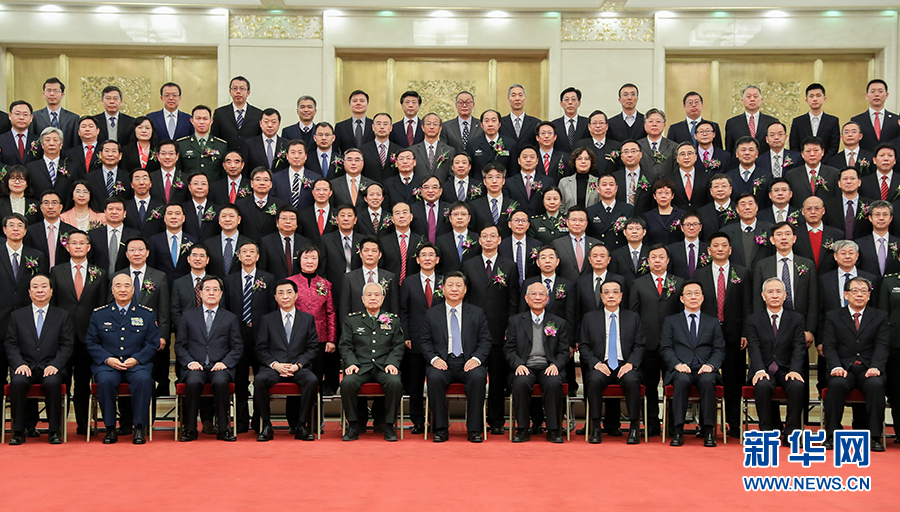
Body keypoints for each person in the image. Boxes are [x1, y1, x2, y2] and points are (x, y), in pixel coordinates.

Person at [86, 273, 159, 444]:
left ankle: (139, 428)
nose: (123, 289)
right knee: (105, 382)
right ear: (112, 290)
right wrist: (107, 359)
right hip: (108, 364)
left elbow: (152, 342)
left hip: (136, 364)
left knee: (144, 380)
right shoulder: (99, 314)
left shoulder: (146, 314)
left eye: (127, 286)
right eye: (118, 286)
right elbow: (91, 342)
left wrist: (136, 359)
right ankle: (110, 428)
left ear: (133, 289)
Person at [461, 226, 519, 435]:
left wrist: (510, 327)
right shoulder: (469, 264)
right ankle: (474, 420)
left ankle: (496, 420)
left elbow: (513, 299)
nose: (488, 240)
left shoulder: (509, 266)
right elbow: (464, 297)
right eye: (484, 236)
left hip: (499, 329)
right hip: (472, 330)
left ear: (499, 240)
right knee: (475, 376)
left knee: (497, 378)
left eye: (492, 236)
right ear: (479, 240)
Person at [420, 272, 491, 442]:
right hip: (442, 362)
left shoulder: (476, 313)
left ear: (465, 290)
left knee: (478, 377)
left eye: (458, 285)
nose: (454, 289)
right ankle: (440, 429)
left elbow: (486, 340)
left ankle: (474, 429)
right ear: (443, 289)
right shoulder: (432, 313)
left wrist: (476, 359)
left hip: (468, 361)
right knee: (434, 378)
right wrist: (434, 359)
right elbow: (425, 341)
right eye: (450, 285)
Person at [49, 230, 108, 436]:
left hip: (88, 337)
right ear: (67, 247)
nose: (78, 246)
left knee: (83, 383)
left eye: (82, 243)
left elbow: (102, 307)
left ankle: (84, 425)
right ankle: (58, 427)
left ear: (88, 247)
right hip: (61, 337)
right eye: (74, 243)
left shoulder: (99, 273)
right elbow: (53, 305)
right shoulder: (57, 271)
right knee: (60, 382)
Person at [694, 231, 752, 437]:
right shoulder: (699, 274)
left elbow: (747, 305)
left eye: (724, 245)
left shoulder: (742, 273)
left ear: (730, 249)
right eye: (716, 246)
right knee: (706, 380)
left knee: (734, 380)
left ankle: (734, 425)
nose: (720, 249)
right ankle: (705, 425)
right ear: (709, 251)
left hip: (735, 335)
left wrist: (745, 332)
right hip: (706, 336)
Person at [5, 274, 74, 445]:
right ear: (29, 292)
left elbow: (67, 345)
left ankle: (54, 431)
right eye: (35, 287)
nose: (40, 290)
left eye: (44, 286)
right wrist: (19, 363)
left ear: (51, 291)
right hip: (25, 366)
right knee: (18, 382)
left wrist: (55, 365)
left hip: (51, 367)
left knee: (52, 383)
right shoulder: (17, 316)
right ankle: (18, 431)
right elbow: (11, 344)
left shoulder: (62, 315)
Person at [822, 276, 889, 452]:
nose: (859, 295)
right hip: (844, 368)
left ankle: (874, 437)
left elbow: (882, 345)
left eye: (864, 291)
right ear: (846, 294)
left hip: (869, 368)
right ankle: (832, 435)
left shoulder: (880, 316)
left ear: (869, 295)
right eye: (855, 291)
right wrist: (836, 366)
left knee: (876, 385)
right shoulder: (833, 316)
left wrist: (876, 367)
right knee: (836, 384)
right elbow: (829, 346)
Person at [174, 276, 242, 442]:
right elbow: (180, 345)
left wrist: (224, 363)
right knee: (193, 382)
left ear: (221, 294)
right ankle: (190, 429)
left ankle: (224, 429)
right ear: (200, 293)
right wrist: (190, 362)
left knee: (221, 382)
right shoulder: (188, 316)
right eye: (207, 289)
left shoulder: (230, 318)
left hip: (220, 366)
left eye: (215, 290)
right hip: (195, 366)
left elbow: (237, 347)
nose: (211, 293)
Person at [659, 281, 725, 447]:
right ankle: (678, 430)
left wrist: (711, 365)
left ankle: (708, 431)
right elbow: (666, 348)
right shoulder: (671, 321)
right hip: (681, 368)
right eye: (689, 294)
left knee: (708, 381)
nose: (693, 297)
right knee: (681, 380)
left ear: (702, 298)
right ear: (682, 299)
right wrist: (677, 364)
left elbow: (719, 349)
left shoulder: (713, 322)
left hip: (705, 368)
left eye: (697, 293)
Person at [579, 279, 644, 444]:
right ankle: (595, 427)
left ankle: (634, 428)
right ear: (601, 297)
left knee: (632, 380)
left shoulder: (633, 317)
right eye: (606, 292)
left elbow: (640, 345)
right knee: (594, 380)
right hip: (601, 364)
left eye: (615, 292)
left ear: (621, 296)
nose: (611, 296)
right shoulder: (590, 318)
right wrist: (596, 364)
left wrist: (630, 364)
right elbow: (584, 346)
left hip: (625, 364)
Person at [629, 244, 684, 437]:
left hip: (674, 344)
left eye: (661, 257)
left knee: (674, 385)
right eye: (654, 257)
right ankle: (651, 424)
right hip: (648, 343)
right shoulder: (638, 284)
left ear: (667, 260)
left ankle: (672, 424)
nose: (657, 261)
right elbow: (633, 316)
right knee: (649, 386)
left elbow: (682, 315)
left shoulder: (678, 283)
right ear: (648, 261)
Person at [254, 279, 319, 441]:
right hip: (274, 368)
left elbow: (312, 348)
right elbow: (261, 349)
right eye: (281, 293)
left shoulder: (307, 319)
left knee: (312, 380)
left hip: (298, 367)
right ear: (275, 297)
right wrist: (275, 365)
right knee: (259, 380)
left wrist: (298, 365)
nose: (285, 296)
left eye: (289, 292)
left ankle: (301, 425)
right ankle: (266, 425)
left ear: (296, 295)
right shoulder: (267, 320)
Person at [339, 282, 405, 441]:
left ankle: (389, 426)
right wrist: (351, 363)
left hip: (384, 367)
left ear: (383, 299)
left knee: (395, 383)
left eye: (377, 295)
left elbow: (398, 345)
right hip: (360, 367)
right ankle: (353, 425)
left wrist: (392, 363)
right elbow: (345, 345)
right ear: (362, 299)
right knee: (347, 383)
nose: (373, 298)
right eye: (369, 295)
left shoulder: (393, 320)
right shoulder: (352, 320)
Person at [505, 282, 570, 443]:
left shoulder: (558, 322)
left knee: (553, 383)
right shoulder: (515, 321)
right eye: (533, 294)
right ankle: (522, 429)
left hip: (548, 366)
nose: (537, 297)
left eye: (542, 294)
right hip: (525, 366)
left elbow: (564, 351)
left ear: (547, 299)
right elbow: (509, 350)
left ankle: (553, 430)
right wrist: (518, 364)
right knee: (520, 382)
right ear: (526, 298)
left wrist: (555, 365)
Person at [222, 241, 276, 433]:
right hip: (237, 334)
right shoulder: (229, 280)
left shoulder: (268, 279)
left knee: (261, 378)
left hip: (261, 335)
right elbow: (226, 310)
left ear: (257, 256)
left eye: (252, 251)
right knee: (240, 379)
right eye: (244, 251)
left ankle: (260, 421)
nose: (248, 254)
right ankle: (241, 421)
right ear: (238, 256)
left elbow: (272, 310)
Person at [747, 278, 808, 437]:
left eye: (778, 291)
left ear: (785, 295)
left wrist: (795, 370)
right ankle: (767, 432)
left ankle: (791, 433)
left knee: (797, 386)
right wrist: (759, 370)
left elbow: (799, 347)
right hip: (764, 368)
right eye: (770, 292)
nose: (774, 295)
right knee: (762, 385)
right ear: (763, 296)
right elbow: (753, 347)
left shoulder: (796, 319)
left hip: (786, 369)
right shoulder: (754, 320)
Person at [113, 237, 170, 401]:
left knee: (147, 378)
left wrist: (162, 335)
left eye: (140, 249)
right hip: (123, 338)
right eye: (132, 250)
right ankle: (125, 416)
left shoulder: (159, 277)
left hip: (149, 337)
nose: (136, 253)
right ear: (126, 254)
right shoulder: (117, 276)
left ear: (147, 253)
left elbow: (164, 308)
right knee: (124, 376)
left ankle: (147, 416)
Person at [752, 222, 819, 355]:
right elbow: (757, 299)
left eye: (788, 234)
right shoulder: (762, 265)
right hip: (771, 324)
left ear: (794, 239)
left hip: (798, 324)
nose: (783, 238)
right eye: (779, 234)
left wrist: (809, 329)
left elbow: (813, 299)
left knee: (798, 361)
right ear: (772, 240)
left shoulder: (807, 264)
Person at [0, 214, 49, 396]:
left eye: (19, 225)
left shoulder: (36, 256)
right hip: (1, 320)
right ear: (4, 230)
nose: (15, 229)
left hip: (26, 324)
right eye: (11, 225)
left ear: (25, 231)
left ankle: (27, 414)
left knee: (25, 375)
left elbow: (42, 288)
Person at [399, 242, 442, 434]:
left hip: (440, 340)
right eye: (423, 255)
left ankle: (436, 419)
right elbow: (404, 311)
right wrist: (406, 335)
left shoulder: (445, 281)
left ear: (437, 260)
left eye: (431, 255)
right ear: (417, 260)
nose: (427, 258)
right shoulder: (408, 282)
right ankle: (417, 420)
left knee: (436, 381)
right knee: (415, 383)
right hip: (415, 339)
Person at [287, 244, 337, 402]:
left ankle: (316, 415)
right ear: (299, 260)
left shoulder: (325, 284)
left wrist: (331, 339)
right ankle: (295, 416)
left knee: (316, 378)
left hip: (319, 339)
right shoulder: (289, 283)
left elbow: (330, 312)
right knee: (295, 379)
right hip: (295, 339)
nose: (310, 261)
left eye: (314, 258)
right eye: (306, 257)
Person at [24, 190, 75, 269]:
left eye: (54, 203)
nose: (50, 207)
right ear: (41, 207)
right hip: (39, 274)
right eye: (46, 203)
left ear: (61, 207)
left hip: (64, 274)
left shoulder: (71, 232)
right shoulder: (31, 231)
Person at [259, 206, 311, 282]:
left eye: (292, 219)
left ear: (297, 223)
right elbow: (262, 269)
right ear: (277, 222)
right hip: (275, 285)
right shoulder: (266, 242)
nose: (288, 222)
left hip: (300, 285)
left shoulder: (306, 243)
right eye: (284, 218)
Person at [210, 76, 263, 150]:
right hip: (227, 155)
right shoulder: (220, 113)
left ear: (248, 93)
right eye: (235, 88)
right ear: (230, 92)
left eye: (242, 88)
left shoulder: (258, 114)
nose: (238, 92)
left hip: (250, 156)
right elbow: (214, 138)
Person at [784, 136, 840, 207]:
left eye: (816, 150)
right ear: (802, 154)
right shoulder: (791, 175)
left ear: (822, 152)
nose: (812, 154)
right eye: (808, 151)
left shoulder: (834, 173)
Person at [177, 105, 227, 182]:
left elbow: (223, 173)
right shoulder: (182, 144)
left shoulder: (221, 145)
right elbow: (179, 172)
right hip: (189, 187)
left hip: (213, 187)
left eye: (205, 119)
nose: (201, 122)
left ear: (211, 121)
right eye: (198, 118)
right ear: (192, 121)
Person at [25, 126, 78, 199]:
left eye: (55, 140)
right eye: (47, 140)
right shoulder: (30, 168)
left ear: (61, 145)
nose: (51, 143)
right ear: (42, 145)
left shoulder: (72, 168)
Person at [499, 84, 542, 174]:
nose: (517, 98)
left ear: (525, 99)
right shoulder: (500, 123)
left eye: (520, 95)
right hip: (506, 169)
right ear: (508, 99)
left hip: (530, 169)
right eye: (513, 95)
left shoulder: (536, 123)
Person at [789, 83, 840, 157]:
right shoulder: (797, 122)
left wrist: (823, 161)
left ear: (824, 99)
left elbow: (834, 146)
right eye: (811, 96)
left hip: (826, 162)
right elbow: (794, 145)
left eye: (818, 96)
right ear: (806, 100)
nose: (815, 99)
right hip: (802, 162)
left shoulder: (833, 121)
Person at [724, 85, 778, 154]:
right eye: (748, 96)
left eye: (755, 96)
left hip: (765, 159)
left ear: (761, 100)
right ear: (742, 101)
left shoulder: (772, 122)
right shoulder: (732, 123)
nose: (752, 99)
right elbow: (729, 149)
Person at [235, 167, 287, 238]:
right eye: (258, 179)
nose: (262, 183)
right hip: (247, 244)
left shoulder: (280, 205)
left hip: (271, 244)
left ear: (271, 184)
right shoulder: (240, 205)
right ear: (251, 183)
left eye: (266, 180)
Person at [552, 207, 598, 284]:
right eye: (573, 220)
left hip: (590, 286)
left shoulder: (596, 244)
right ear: (567, 222)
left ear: (586, 223)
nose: (577, 223)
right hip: (565, 287)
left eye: (581, 220)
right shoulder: (557, 244)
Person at [850, 79, 898, 152]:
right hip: (865, 158)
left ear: (887, 95)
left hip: (888, 158)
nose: (876, 94)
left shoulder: (896, 120)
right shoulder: (857, 120)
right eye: (872, 91)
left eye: (880, 91)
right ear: (866, 96)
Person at [32, 77, 79, 150]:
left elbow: (75, 143)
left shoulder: (73, 118)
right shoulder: (35, 116)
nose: (52, 94)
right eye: (48, 91)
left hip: (66, 156)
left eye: (56, 91)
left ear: (62, 95)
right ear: (44, 94)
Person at [614, 140, 657, 216]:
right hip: (620, 219)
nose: (630, 155)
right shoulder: (614, 178)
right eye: (626, 152)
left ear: (641, 154)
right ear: (621, 156)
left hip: (644, 219)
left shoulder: (652, 178)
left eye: (633, 151)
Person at [506, 146, 552, 216]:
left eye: (532, 157)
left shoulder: (548, 182)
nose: (528, 160)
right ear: (519, 161)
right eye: (524, 157)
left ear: (537, 161)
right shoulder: (509, 183)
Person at [241, 108, 289, 173]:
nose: (270, 125)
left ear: (279, 124)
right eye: (266, 122)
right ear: (260, 123)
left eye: (274, 122)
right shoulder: (249, 144)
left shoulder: (286, 144)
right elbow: (245, 170)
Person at [575, 110, 623, 176]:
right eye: (594, 123)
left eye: (601, 123)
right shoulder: (580, 145)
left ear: (607, 126)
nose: (598, 126)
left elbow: (620, 169)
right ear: (589, 127)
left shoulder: (617, 146)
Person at [726, 136, 769, 207]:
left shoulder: (766, 176)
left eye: (751, 150)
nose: (747, 153)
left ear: (757, 154)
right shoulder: (728, 177)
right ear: (737, 154)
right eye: (743, 150)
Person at [411, 113, 454, 181]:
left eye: (435, 124)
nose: (431, 127)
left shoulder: (449, 151)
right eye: (428, 124)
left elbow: (452, 175)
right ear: (422, 127)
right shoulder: (413, 150)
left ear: (440, 128)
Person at [467, 109, 511, 174]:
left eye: (494, 120)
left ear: (499, 124)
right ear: (481, 125)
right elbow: (469, 171)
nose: (490, 124)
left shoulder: (510, 144)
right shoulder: (472, 144)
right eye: (486, 121)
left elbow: (513, 172)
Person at [361, 113, 400, 185]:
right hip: (370, 189)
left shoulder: (399, 150)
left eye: (385, 124)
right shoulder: (363, 150)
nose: (382, 127)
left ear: (391, 128)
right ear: (373, 127)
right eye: (378, 124)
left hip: (393, 188)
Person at [644, 178, 685, 247]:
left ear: (672, 195)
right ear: (654, 196)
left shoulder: (681, 215)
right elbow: (645, 241)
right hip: (655, 253)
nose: (663, 196)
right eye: (660, 193)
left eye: (667, 193)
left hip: (676, 252)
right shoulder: (648, 217)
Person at [670, 142, 709, 212]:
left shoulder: (706, 178)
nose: (686, 157)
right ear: (677, 158)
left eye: (690, 153)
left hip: (701, 216)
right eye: (682, 154)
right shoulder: (669, 179)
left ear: (696, 157)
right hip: (677, 217)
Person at [558, 147, 600, 213]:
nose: (583, 161)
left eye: (586, 159)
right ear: (574, 162)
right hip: (569, 218)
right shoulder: (564, 182)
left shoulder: (598, 182)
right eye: (579, 159)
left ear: (591, 162)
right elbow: (560, 206)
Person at [637, 108, 676, 177]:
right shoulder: (637, 146)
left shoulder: (673, 147)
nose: (654, 124)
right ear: (645, 125)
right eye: (650, 121)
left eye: (658, 121)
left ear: (664, 125)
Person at [667, 211, 707, 280]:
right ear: (682, 228)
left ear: (700, 227)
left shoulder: (708, 248)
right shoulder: (672, 249)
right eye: (687, 224)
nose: (691, 228)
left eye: (695, 224)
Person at [333, 90, 374, 155]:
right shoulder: (340, 127)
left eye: (362, 101)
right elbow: (335, 149)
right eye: (355, 101)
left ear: (367, 105)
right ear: (350, 105)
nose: (358, 103)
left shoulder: (374, 125)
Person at [1, 100, 40, 168]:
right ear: (10, 116)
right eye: (17, 114)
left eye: (25, 114)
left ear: (31, 118)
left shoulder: (38, 141)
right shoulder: (1, 140)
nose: (21, 118)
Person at [148, 140, 186, 205]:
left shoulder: (185, 179)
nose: (167, 157)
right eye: (163, 153)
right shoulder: (150, 178)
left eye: (171, 153)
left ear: (177, 156)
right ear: (157, 156)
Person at [534, 121, 570, 185]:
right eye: (543, 133)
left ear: (555, 137)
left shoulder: (564, 157)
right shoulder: (532, 157)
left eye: (550, 133)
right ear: (537, 138)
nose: (546, 136)